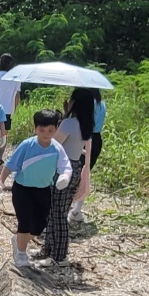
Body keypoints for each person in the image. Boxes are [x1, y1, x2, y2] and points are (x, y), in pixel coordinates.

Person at [0, 110, 72, 269]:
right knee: (24, 222)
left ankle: (19, 240)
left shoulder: (57, 148)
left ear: (56, 129)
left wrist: (64, 177)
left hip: (43, 190)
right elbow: (10, 165)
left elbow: (65, 166)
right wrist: (0, 182)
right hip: (23, 189)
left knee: (39, 225)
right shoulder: (27, 145)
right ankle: (21, 254)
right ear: (35, 128)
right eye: (42, 130)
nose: (46, 134)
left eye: (50, 130)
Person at [38, 89, 96, 265]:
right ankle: (48, 250)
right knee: (56, 211)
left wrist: (63, 117)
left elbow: (52, 144)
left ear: (75, 103)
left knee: (57, 214)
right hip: (75, 166)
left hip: (63, 169)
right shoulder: (86, 124)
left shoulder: (69, 124)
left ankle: (59, 256)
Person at [71, 91, 106, 222]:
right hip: (96, 139)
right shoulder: (102, 104)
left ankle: (65, 207)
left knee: (72, 174)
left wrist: (68, 110)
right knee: (85, 174)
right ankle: (77, 210)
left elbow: (75, 122)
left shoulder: (83, 103)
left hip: (82, 136)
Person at [0, 54, 22, 157]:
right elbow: (17, 96)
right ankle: (0, 157)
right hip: (8, 109)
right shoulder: (17, 77)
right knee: (4, 134)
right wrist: (15, 110)